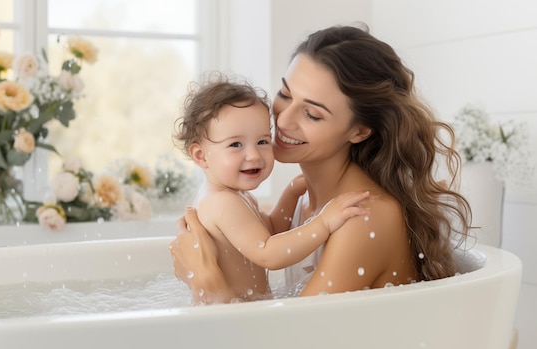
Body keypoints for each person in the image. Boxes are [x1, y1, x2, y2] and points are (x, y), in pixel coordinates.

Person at [169, 24, 471, 303]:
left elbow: (288, 341)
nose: (283, 120)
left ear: (359, 130)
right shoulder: (310, 202)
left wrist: (206, 281)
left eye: (312, 114)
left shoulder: (361, 215)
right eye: (285, 94)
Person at [173, 73, 371, 303]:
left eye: (263, 141)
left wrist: (291, 193)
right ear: (201, 156)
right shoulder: (222, 203)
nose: (254, 154)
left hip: (233, 307)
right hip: (228, 310)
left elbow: (271, 230)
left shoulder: (234, 196)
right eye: (236, 144)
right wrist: (324, 223)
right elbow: (268, 253)